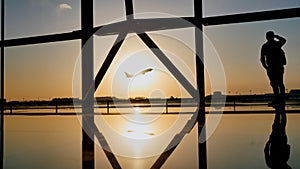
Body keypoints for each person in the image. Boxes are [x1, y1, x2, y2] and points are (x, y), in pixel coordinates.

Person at [261, 31, 287, 99]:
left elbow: (284, 40)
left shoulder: (275, 44)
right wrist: (266, 67)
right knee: (275, 83)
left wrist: (266, 67)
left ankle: (281, 98)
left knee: (278, 83)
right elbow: (262, 58)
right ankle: (279, 98)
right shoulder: (267, 46)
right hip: (273, 67)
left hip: (276, 66)